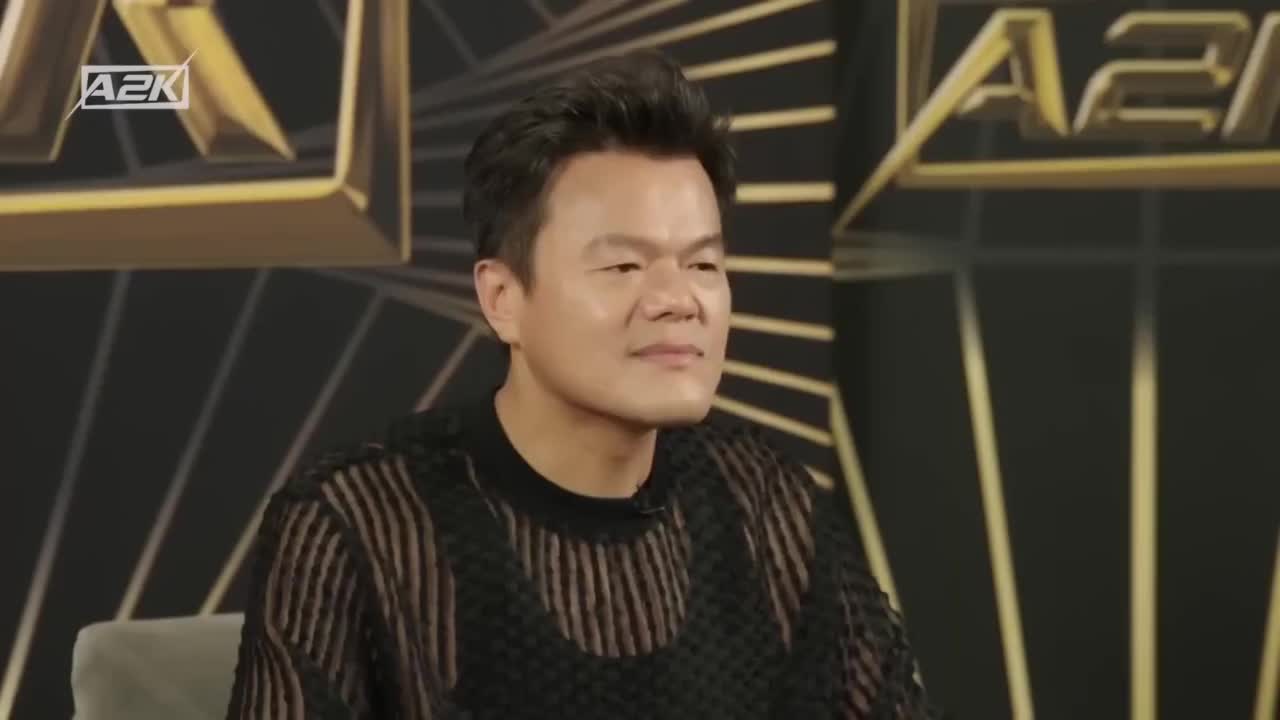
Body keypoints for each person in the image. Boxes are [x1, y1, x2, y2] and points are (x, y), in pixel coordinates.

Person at [226, 49, 936, 719]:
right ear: (503, 298)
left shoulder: (764, 504)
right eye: (624, 267)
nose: (678, 300)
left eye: (703, 265)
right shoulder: (359, 524)